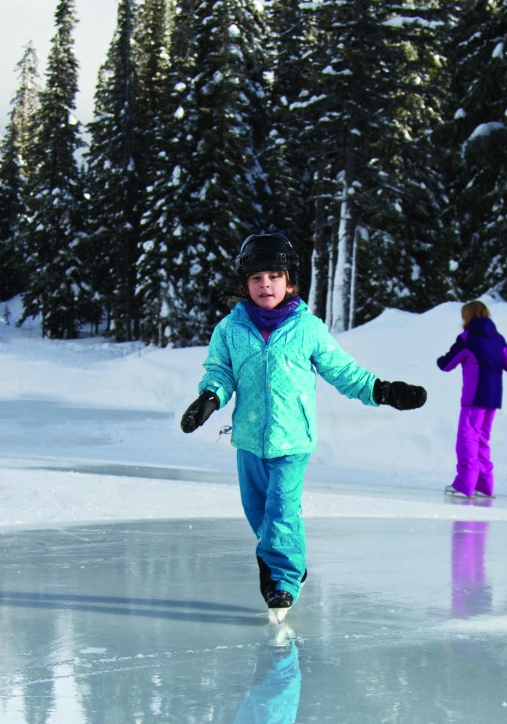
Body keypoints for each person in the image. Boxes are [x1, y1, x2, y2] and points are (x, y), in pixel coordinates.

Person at [180, 233, 427, 621]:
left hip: (292, 440)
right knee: (257, 511)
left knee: (281, 510)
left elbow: (343, 371)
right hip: (248, 438)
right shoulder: (230, 329)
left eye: (275, 277)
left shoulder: (307, 328)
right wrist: (208, 399)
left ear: (290, 282)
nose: (266, 285)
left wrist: (384, 390)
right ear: (245, 283)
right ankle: (286, 559)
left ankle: (282, 579)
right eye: (258, 278)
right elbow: (220, 372)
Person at [437, 300, 507, 500]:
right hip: (493, 398)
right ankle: (484, 485)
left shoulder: (468, 338)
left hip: (474, 398)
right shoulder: (498, 339)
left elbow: (447, 365)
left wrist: (441, 360)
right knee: (482, 440)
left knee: (467, 439)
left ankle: (465, 484)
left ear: (468, 316)